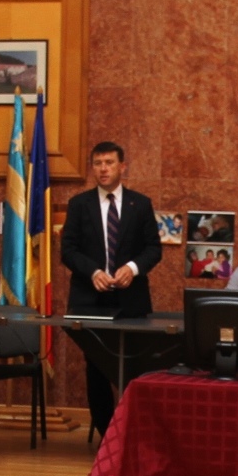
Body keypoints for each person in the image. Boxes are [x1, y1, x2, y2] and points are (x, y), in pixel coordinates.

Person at [60, 141, 162, 435]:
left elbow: (153, 249)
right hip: (90, 298)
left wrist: (132, 268)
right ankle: (106, 436)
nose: (103, 169)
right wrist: (92, 271)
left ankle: (133, 433)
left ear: (122, 166)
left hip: (131, 299)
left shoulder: (139, 204)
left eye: (109, 163)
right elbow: (68, 250)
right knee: (96, 366)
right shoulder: (79, 204)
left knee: (135, 366)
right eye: (98, 163)